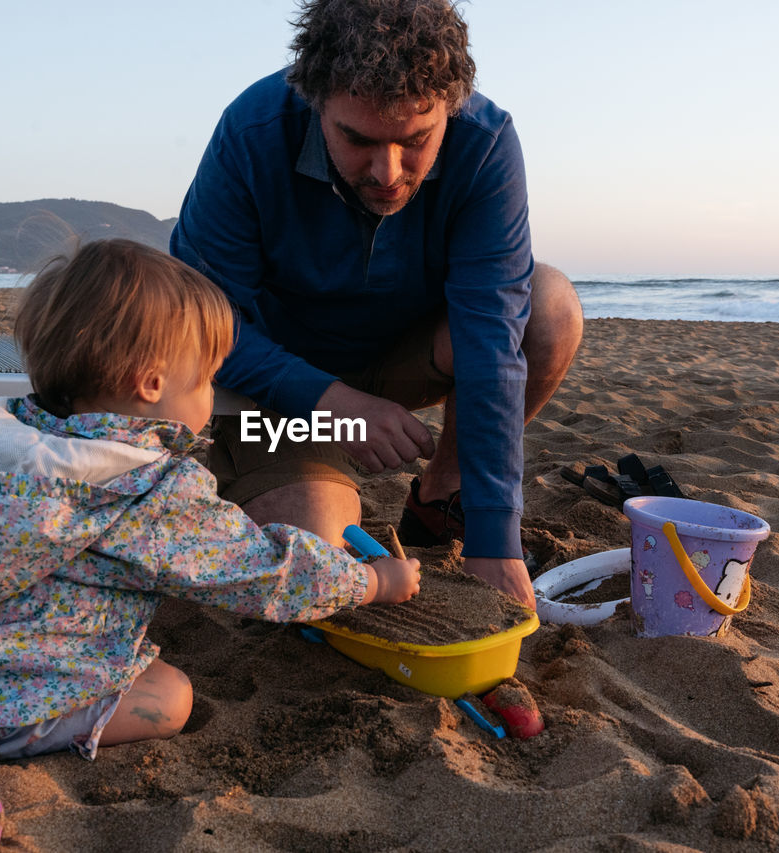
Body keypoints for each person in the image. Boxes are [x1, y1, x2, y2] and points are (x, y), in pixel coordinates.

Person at [0, 239, 420, 760]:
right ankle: (14, 736)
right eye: (205, 379)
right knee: (170, 695)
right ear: (150, 385)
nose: (209, 395)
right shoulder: (146, 490)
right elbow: (266, 572)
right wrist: (374, 582)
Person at [171, 0, 584, 609]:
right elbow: (199, 325)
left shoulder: (486, 142)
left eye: (416, 140)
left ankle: (442, 494)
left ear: (452, 106)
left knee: (549, 305)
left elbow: (491, 341)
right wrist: (332, 405)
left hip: (403, 365)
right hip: (273, 403)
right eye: (359, 139)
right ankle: (267, 476)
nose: (390, 172)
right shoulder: (252, 131)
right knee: (319, 568)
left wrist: (496, 540)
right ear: (316, 102)